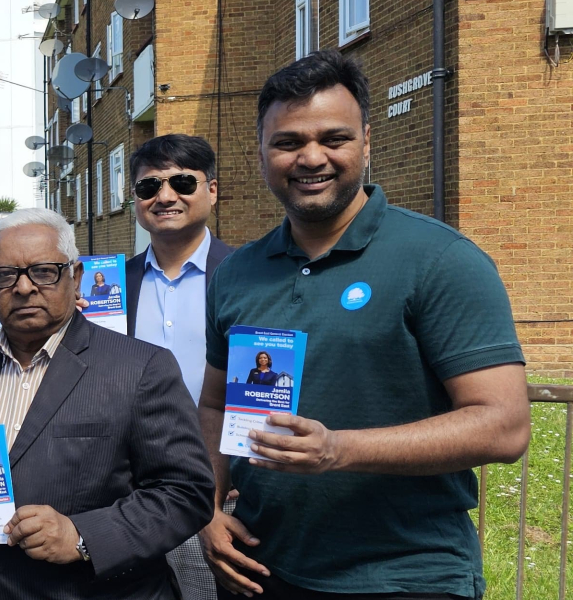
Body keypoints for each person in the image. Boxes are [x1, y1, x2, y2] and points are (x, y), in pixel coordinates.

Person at [198, 51, 530, 600]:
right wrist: (208, 508)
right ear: (260, 152)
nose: (311, 158)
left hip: (405, 575)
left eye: (334, 138)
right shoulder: (237, 273)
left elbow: (504, 425)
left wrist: (339, 449)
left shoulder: (440, 259)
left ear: (367, 142)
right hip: (261, 568)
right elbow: (215, 406)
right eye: (287, 142)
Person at [0, 208, 214, 599]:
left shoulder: (141, 368)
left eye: (44, 271)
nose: (24, 288)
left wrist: (82, 536)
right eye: (4, 276)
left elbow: (186, 491)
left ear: (76, 277)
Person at [121, 133, 235, 600]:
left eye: (183, 182)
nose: (165, 196)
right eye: (149, 187)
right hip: (133, 492)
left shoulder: (248, 277)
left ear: (212, 189)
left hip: (227, 491)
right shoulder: (109, 289)